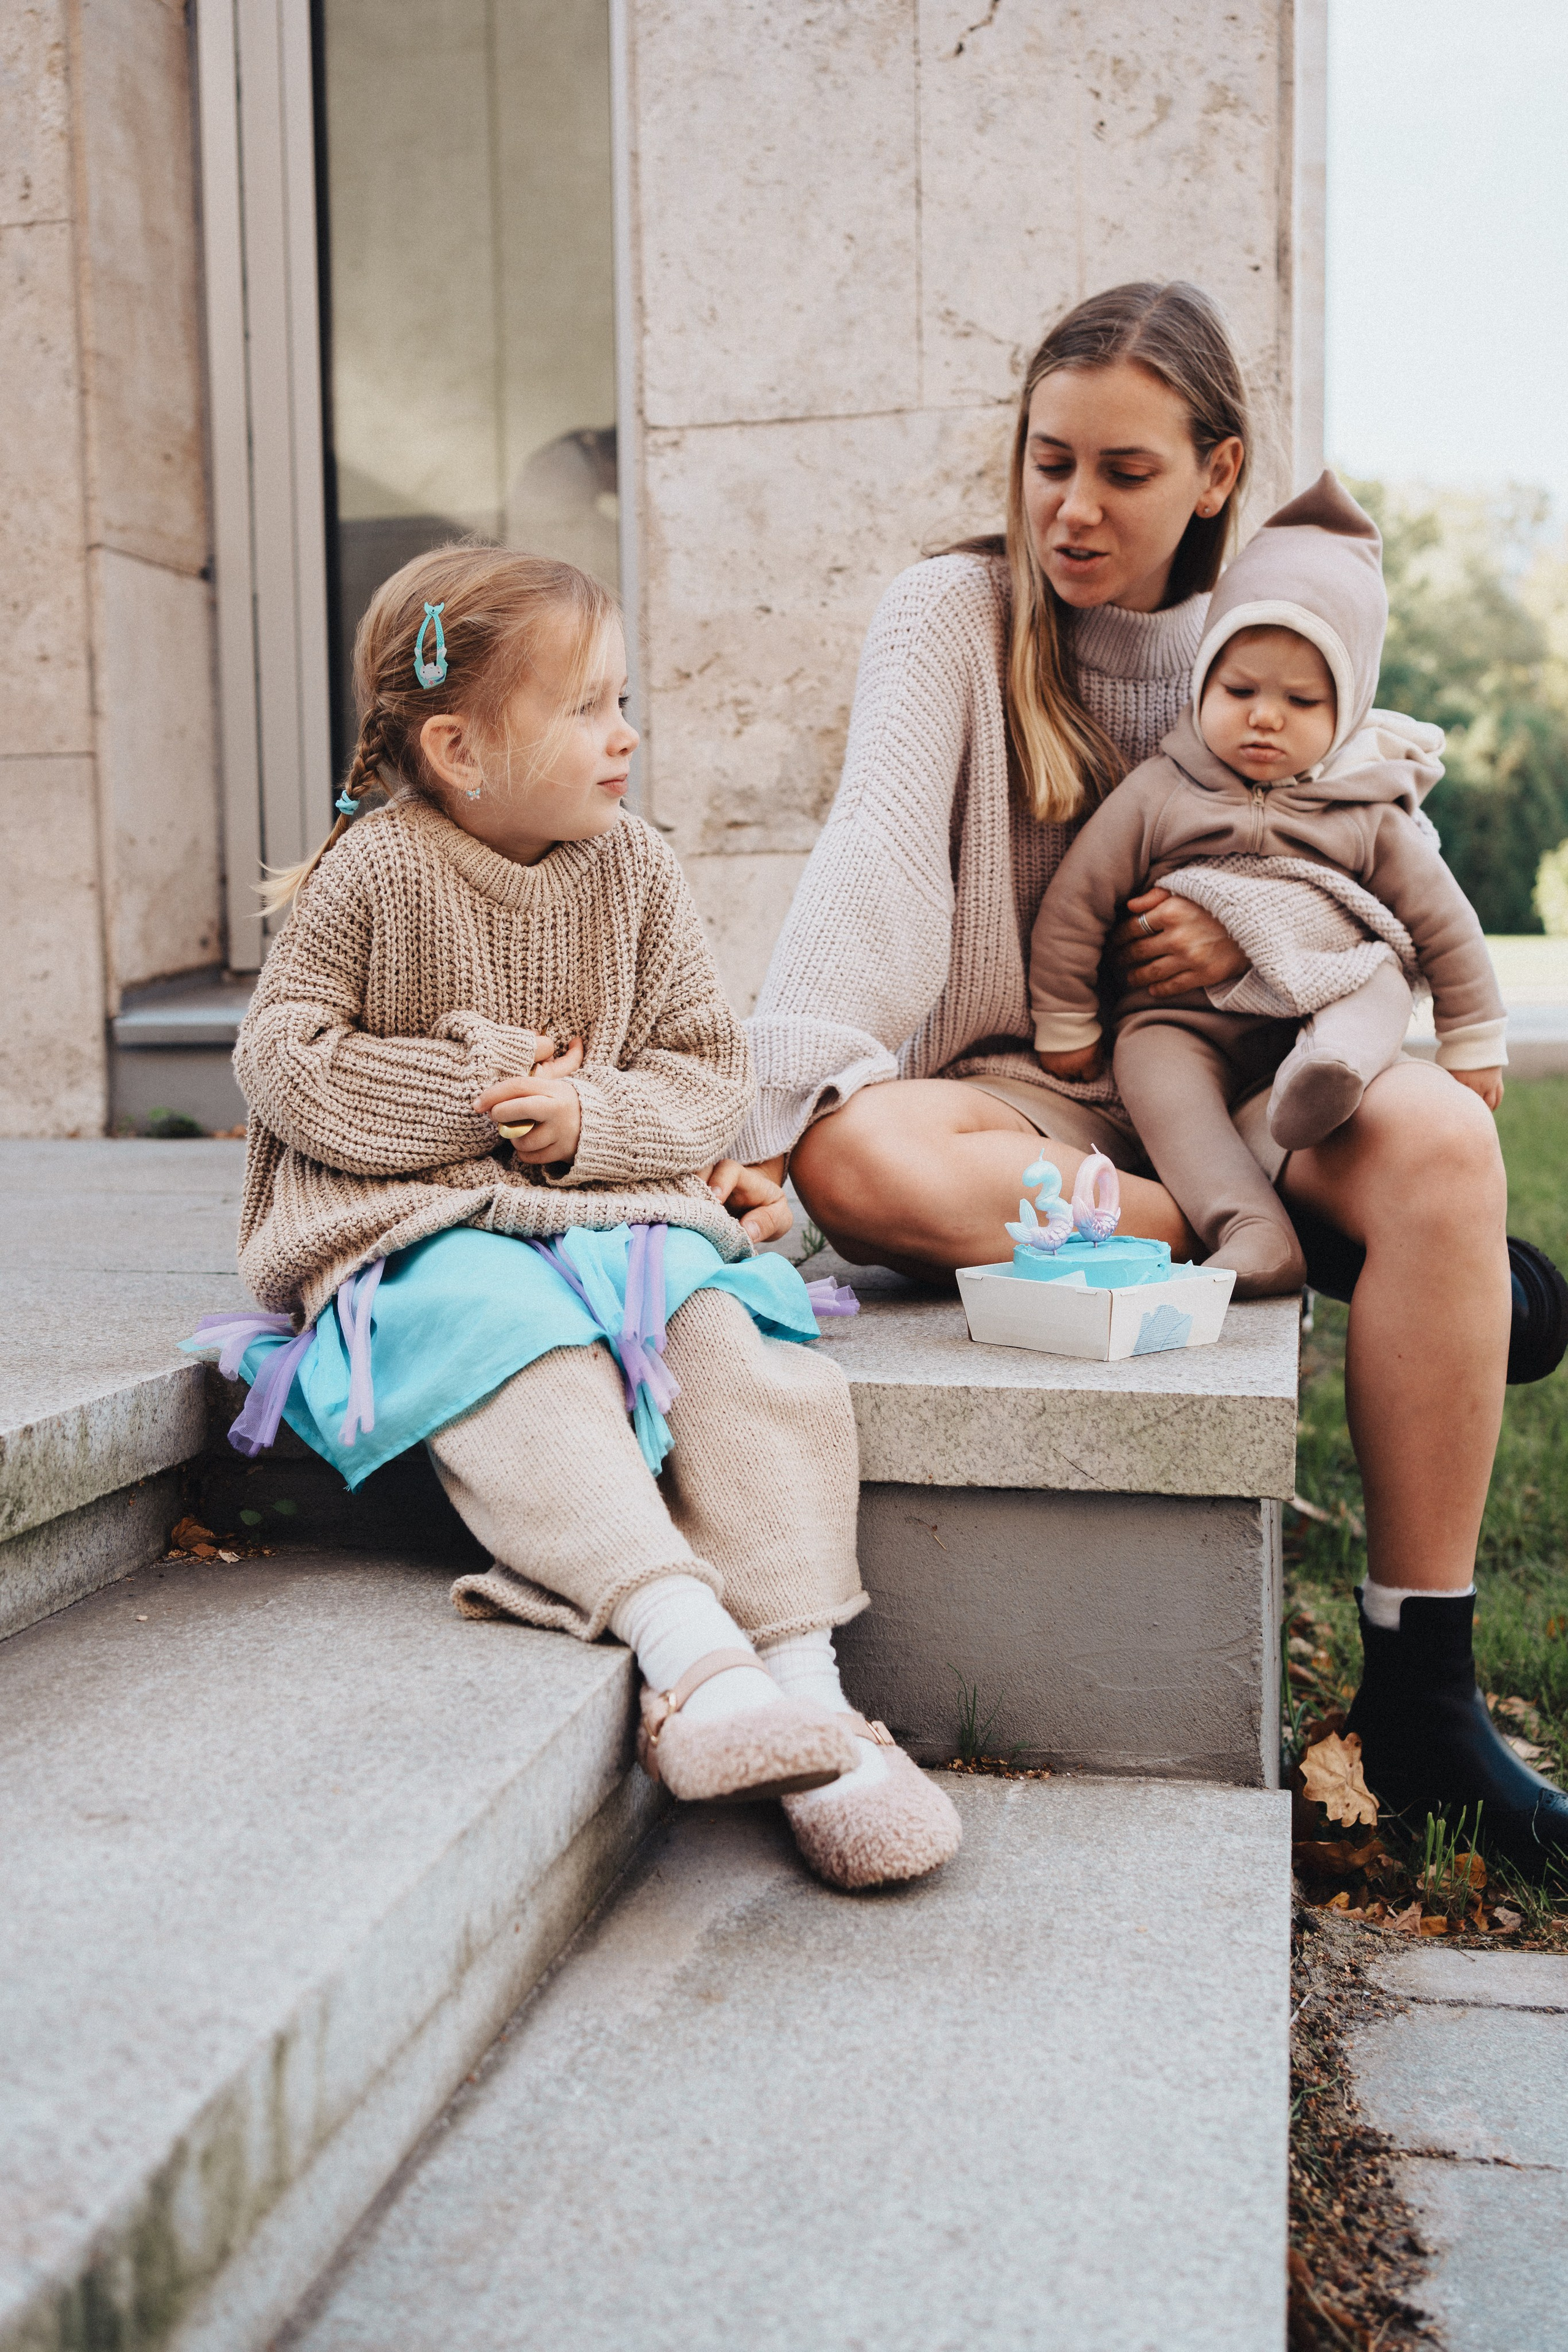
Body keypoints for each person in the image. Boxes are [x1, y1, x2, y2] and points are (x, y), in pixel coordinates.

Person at [707, 282, 1568, 1871]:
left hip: (1250, 1090)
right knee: (864, 1168)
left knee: (1441, 1142)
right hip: (1019, 1088)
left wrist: (1236, 942)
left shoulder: (1275, 646)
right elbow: (881, 861)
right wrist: (779, 1112)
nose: (1072, 509)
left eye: (1123, 472)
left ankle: (1426, 1702)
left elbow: (1389, 868)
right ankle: (1317, 1262)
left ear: (1219, 474)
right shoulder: (950, 619)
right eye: (1048, 462)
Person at [192, 545, 960, 1893]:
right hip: (418, 1215)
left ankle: (806, 1683)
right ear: (461, 747)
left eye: (623, 701)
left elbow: (706, 1070)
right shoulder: (377, 874)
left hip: (614, 1214)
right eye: (590, 708)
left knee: (723, 1333)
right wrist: (482, 1098)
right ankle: (691, 1661)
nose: (626, 735)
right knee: (503, 1335)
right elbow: (283, 1059)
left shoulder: (635, 870)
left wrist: (590, 1122)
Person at [1029, 470, 1506, 1299]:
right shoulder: (1160, 791)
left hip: (1313, 1010)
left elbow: (1444, 925)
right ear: (1204, 681)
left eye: (1302, 700)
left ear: (1349, 710)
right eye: (1240, 689)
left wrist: (1473, 1038)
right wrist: (1066, 1013)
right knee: (1155, 1073)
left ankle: (1332, 1075)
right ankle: (1249, 1227)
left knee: (1377, 980)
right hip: (1182, 1022)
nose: (1264, 717)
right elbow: (1078, 901)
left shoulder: (1369, 811)